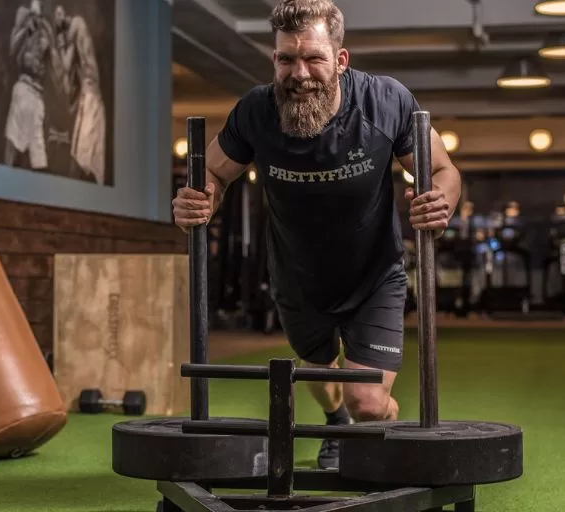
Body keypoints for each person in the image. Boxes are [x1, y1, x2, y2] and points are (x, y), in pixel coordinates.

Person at [171, 0, 461, 470]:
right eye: (287, 59)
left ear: (341, 60)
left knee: (367, 402)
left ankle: (374, 427)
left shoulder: (385, 102)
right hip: (298, 274)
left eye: (314, 59)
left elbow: (444, 170)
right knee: (319, 370)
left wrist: (442, 199)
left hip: (374, 273)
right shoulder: (255, 112)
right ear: (274, 59)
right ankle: (335, 425)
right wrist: (197, 197)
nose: (299, 73)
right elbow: (214, 175)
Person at [53, 5, 107, 185]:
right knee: (80, 155)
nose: (60, 16)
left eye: (60, 13)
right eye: (57, 16)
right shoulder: (73, 39)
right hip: (89, 97)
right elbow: (67, 80)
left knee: (85, 156)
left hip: (92, 98)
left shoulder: (77, 23)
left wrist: (60, 42)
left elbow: (66, 66)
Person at [3, 0, 53, 170]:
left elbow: (52, 63)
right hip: (23, 89)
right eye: (34, 15)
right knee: (12, 144)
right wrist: (26, 30)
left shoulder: (45, 32)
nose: (36, 18)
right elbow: (13, 50)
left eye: (39, 16)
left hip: (37, 98)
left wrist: (47, 40)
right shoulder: (23, 22)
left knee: (38, 158)